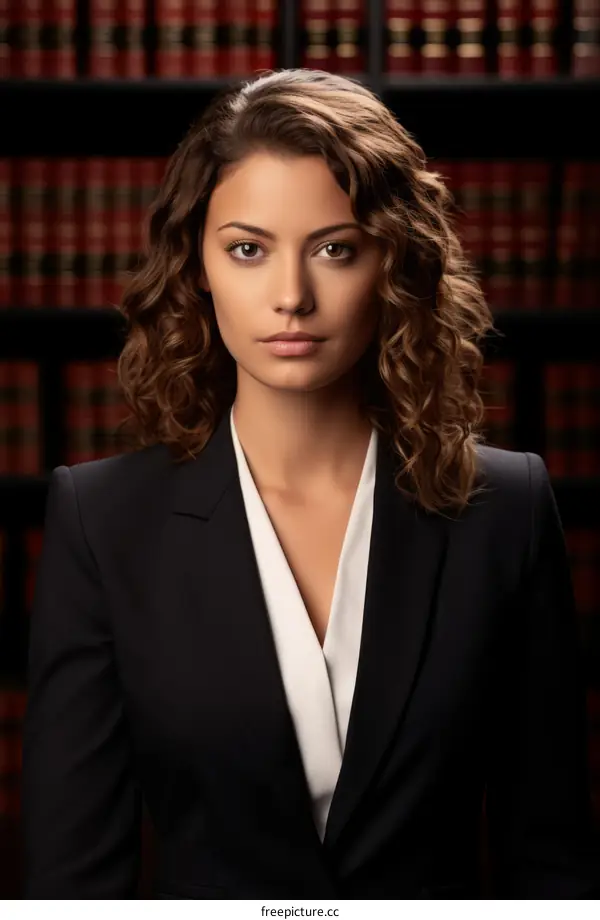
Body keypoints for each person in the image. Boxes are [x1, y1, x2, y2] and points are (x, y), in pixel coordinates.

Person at [22, 68, 600, 899]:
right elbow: (69, 890)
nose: (291, 297)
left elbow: (550, 868)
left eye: (336, 249)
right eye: (248, 249)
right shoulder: (103, 522)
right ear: (197, 265)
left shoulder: (506, 511)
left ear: (393, 262)